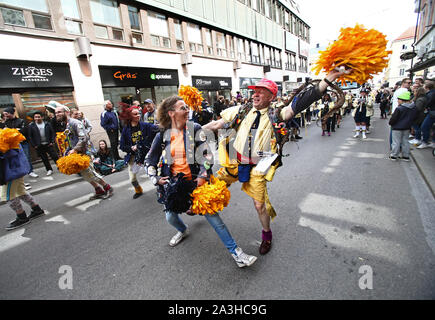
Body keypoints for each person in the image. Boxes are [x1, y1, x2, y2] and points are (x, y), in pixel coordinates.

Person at [203, 69, 346, 255]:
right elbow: (215, 125)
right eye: (254, 91)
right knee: (210, 187)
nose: (255, 94)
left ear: (271, 97)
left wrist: (329, 79)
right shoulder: (241, 110)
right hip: (233, 163)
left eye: (261, 91)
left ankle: (266, 235)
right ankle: (199, 206)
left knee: (259, 205)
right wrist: (187, 131)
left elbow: (300, 103)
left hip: (257, 167)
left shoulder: (277, 114)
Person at [145, 96, 257, 268]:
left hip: (197, 183)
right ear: (171, 113)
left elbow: (207, 155)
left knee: (214, 219)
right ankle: (182, 230)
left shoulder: (195, 128)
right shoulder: (162, 134)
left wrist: (203, 175)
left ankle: (236, 253)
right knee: (170, 217)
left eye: (186, 106)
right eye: (182, 108)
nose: (187, 110)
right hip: (174, 186)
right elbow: (149, 160)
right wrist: (156, 179)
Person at [55, 105, 114, 199]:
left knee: (91, 173)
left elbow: (84, 137)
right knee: (85, 174)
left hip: (85, 153)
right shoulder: (66, 124)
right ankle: (99, 190)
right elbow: (70, 140)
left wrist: (74, 149)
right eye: (56, 113)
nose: (56, 114)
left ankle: (108, 188)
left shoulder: (75, 122)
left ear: (66, 112)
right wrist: (67, 152)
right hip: (77, 155)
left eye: (59, 112)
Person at [1, 145, 45, 230]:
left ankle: (22, 217)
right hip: (15, 169)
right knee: (20, 192)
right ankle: (36, 209)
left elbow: (10, 152)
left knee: (9, 196)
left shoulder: (5, 135)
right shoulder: (8, 133)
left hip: (10, 171)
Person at [120, 106, 158, 199]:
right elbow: (122, 146)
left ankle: (161, 190)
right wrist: (131, 148)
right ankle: (138, 190)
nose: (138, 115)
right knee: (132, 179)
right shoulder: (125, 129)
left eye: (139, 113)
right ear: (130, 116)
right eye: (135, 114)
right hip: (133, 157)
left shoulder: (145, 125)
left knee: (155, 174)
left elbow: (157, 128)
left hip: (147, 154)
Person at [0, 107, 38, 178]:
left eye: (6, 114)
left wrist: (11, 131)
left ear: (11, 113)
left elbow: (23, 131)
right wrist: (15, 130)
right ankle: (21, 172)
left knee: (27, 157)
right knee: (17, 159)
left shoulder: (21, 121)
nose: (5, 116)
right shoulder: (6, 123)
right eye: (4, 114)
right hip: (13, 145)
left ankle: (30, 171)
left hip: (23, 143)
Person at [28, 111, 58, 176]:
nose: (37, 118)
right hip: (39, 145)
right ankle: (49, 169)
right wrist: (34, 145)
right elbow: (30, 136)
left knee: (54, 156)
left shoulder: (47, 124)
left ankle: (60, 166)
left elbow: (52, 133)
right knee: (44, 158)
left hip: (48, 143)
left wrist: (52, 141)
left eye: (38, 117)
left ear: (42, 117)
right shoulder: (31, 126)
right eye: (35, 117)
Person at [389, 91, 417, 161]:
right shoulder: (413, 108)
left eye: (398, 99)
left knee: (396, 142)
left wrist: (391, 123)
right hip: (407, 127)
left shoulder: (399, 108)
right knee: (405, 141)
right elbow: (414, 117)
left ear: (402, 100)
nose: (398, 101)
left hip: (397, 127)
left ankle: (394, 155)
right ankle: (406, 156)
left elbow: (394, 118)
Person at [417, 80, 435, 149]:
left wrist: (426, 108)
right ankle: (432, 142)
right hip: (432, 112)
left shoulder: (430, 94)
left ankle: (425, 142)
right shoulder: (431, 93)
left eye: (424, 86)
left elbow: (428, 103)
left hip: (432, 113)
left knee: (424, 127)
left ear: (427, 87)